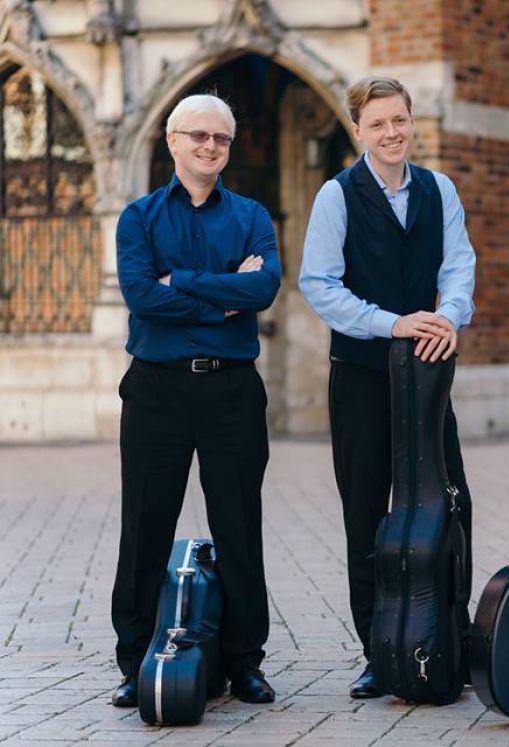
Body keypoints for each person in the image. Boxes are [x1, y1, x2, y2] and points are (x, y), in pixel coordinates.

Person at [299, 77, 476, 698]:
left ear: (411, 120)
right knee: (367, 512)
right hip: (362, 374)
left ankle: (452, 633)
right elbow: (319, 284)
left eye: (399, 120)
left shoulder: (439, 188)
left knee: (449, 498)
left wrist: (449, 317)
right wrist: (392, 323)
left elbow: (459, 264)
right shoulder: (336, 196)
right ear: (358, 130)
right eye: (377, 124)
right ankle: (380, 650)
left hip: (427, 375)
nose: (392, 133)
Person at [110, 94, 281, 706]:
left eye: (221, 139)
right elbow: (139, 296)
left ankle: (245, 663)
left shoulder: (252, 214)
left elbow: (263, 288)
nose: (211, 147)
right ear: (172, 140)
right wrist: (223, 296)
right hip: (157, 391)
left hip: (232, 392)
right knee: (145, 525)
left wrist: (179, 281)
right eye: (199, 136)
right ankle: (134, 662)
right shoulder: (139, 217)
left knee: (240, 526)